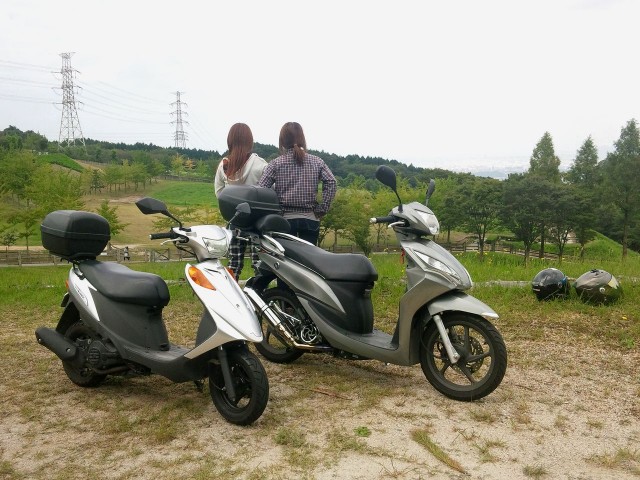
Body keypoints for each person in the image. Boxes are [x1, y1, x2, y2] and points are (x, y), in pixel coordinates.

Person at [258, 122, 337, 246]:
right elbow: (331, 182)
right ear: (302, 138)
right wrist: (322, 209)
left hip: (284, 220)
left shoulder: (275, 163)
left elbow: (261, 189)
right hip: (310, 219)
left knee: (287, 257)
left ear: (282, 141)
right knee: (309, 257)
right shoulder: (317, 161)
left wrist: (272, 210)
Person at [214, 123, 267, 279]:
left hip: (235, 221)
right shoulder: (260, 165)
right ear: (249, 140)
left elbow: (219, 193)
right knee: (259, 264)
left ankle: (231, 292)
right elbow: (270, 191)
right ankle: (258, 292)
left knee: (234, 264)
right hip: (258, 223)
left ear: (230, 140)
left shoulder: (224, 165)